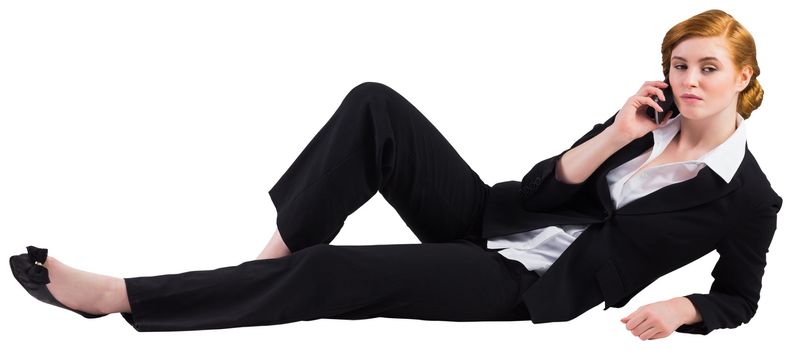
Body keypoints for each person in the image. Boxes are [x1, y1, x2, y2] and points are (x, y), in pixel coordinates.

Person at [9, 9, 781, 340]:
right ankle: (263, 270)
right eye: (679, 63)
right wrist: (614, 132)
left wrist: (687, 310)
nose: (689, 79)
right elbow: (546, 190)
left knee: (336, 276)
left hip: (525, 283)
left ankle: (117, 299)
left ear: (744, 76)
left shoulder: (749, 197)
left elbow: (740, 297)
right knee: (375, 107)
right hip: (495, 219)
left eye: (709, 68)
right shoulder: (644, 119)